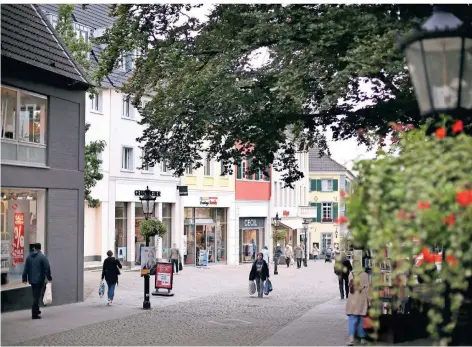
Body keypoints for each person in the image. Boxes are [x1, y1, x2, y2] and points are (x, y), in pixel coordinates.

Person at [22, 243, 52, 319]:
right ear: (40, 248)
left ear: (34, 248)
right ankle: (34, 314)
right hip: (39, 280)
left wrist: (24, 278)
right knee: (36, 297)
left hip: (32, 280)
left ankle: (37, 310)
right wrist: (49, 277)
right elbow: (47, 267)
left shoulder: (29, 257)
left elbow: (26, 268)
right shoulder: (42, 257)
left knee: (35, 295)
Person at [345, 261, 370, 346]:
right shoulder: (365, 275)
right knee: (361, 320)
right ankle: (362, 339)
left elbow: (349, 287)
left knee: (352, 320)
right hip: (361, 299)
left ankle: (351, 339)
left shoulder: (350, 274)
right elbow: (367, 289)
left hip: (352, 300)